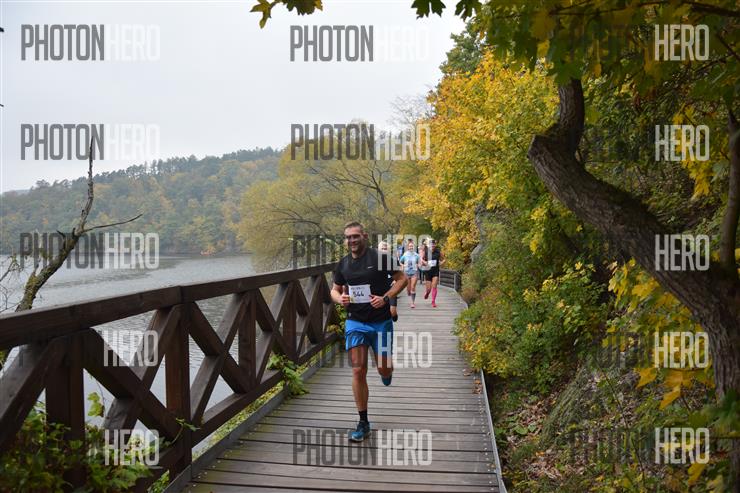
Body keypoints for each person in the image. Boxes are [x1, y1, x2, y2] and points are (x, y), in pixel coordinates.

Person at [331, 222, 407, 442]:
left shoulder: (381, 258)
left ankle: (387, 373)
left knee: (383, 368)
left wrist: (385, 298)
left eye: (355, 236)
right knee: (358, 370)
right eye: (348, 237)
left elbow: (402, 279)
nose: (352, 241)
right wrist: (340, 299)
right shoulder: (343, 264)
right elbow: (334, 290)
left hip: (381, 322)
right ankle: (363, 422)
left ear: (364, 236)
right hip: (355, 322)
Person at [377, 241, 399, 322]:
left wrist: (396, 281)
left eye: (385, 249)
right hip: (380, 289)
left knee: (392, 310)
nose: (384, 250)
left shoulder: (393, 260)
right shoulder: (376, 261)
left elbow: (400, 274)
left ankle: (394, 316)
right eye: (382, 249)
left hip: (392, 288)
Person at [422, 238, 445, 308]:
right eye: (431, 244)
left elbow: (444, 259)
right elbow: (421, 259)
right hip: (428, 272)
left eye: (434, 244)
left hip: (435, 271)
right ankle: (427, 293)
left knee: (434, 286)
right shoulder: (426, 251)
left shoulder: (438, 252)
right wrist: (425, 262)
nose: (433, 245)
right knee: (428, 289)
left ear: (435, 245)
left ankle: (433, 301)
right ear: (429, 245)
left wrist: (441, 263)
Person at [399, 241, 421, 308]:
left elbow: (419, 263)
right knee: (408, 290)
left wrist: (418, 265)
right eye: (410, 246)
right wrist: (403, 265)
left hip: (414, 272)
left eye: (412, 246)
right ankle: (409, 292)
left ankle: (412, 303)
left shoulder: (416, 255)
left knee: (413, 287)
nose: (411, 247)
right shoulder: (405, 254)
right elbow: (400, 261)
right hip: (407, 273)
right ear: (408, 247)